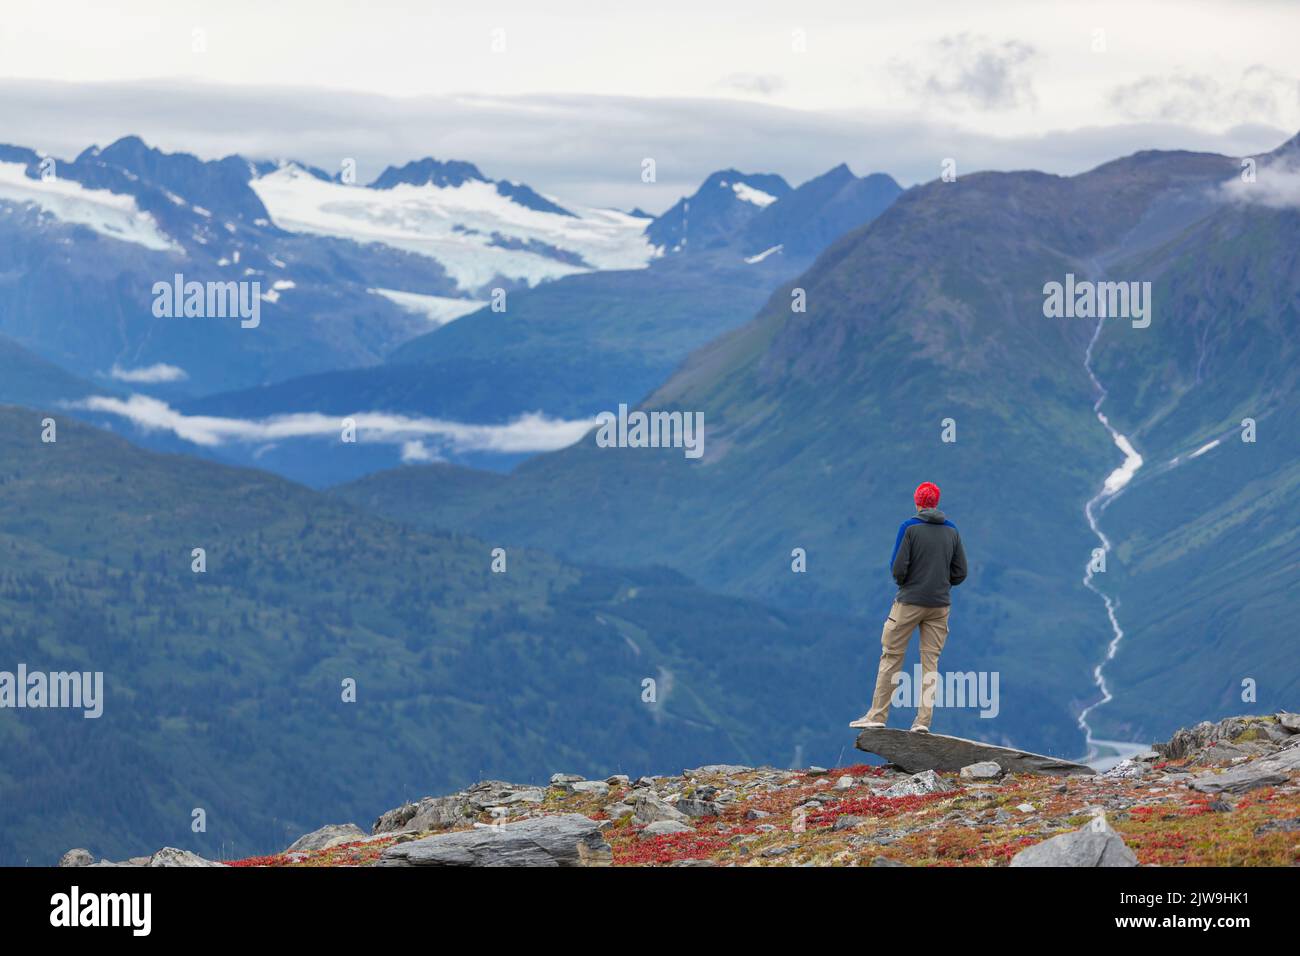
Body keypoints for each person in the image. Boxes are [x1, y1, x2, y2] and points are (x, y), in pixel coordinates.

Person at [850, 481, 967, 733]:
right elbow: (961, 572)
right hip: (940, 605)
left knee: (891, 655)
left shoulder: (909, 528)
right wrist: (941, 583)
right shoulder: (952, 531)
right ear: (936, 503)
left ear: (917, 502)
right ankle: (922, 722)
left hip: (909, 601)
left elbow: (897, 568)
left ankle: (878, 715)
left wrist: (909, 583)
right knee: (930, 662)